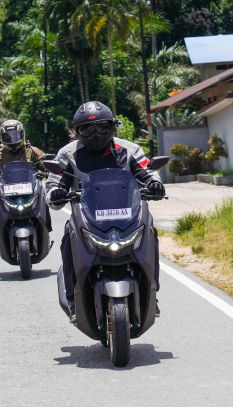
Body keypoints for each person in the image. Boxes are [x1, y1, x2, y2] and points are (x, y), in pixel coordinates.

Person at [45, 101, 165, 320]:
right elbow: (54, 183)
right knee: (67, 239)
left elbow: (147, 171)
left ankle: (152, 292)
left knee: (151, 232)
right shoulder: (68, 154)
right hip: (87, 217)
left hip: (128, 213)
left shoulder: (128, 150)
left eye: (101, 127)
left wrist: (155, 184)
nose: (95, 134)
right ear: (77, 131)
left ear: (112, 126)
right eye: (87, 129)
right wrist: (55, 193)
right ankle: (73, 298)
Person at [0, 119, 52, 230]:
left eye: (15, 135)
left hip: (31, 191)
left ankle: (46, 228)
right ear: (2, 137)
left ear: (22, 134)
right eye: (8, 136)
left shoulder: (33, 151)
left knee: (43, 197)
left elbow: (46, 166)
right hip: (7, 195)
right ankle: (1, 230)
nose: (12, 139)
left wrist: (46, 172)